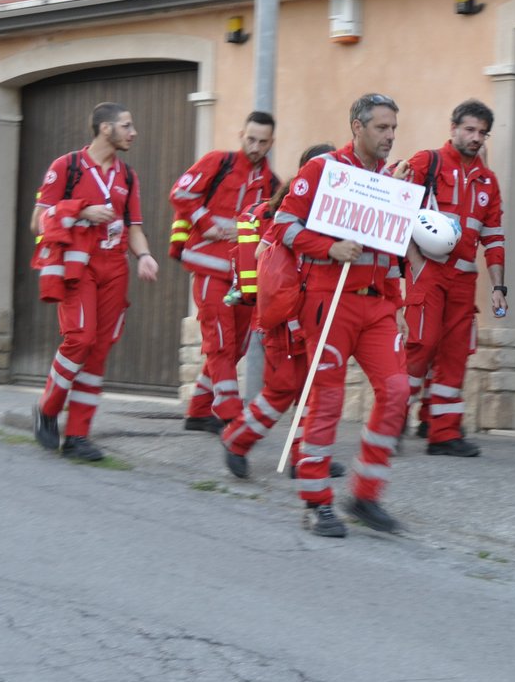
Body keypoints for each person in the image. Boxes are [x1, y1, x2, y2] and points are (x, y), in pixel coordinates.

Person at [265, 94, 412, 536]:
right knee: (326, 401)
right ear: (357, 126)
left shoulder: (388, 179)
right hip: (330, 300)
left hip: (377, 304)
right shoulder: (323, 169)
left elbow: (391, 253)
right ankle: (316, 501)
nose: (389, 137)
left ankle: (365, 494)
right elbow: (283, 227)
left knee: (397, 389)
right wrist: (328, 247)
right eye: (382, 128)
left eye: (393, 129)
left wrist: (398, 305)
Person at [30, 102, 160, 461]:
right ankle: (48, 408)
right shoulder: (66, 167)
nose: (133, 133)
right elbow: (38, 221)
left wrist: (145, 256)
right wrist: (80, 210)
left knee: (99, 349)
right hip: (79, 264)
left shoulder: (128, 176)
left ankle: (77, 436)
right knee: (80, 339)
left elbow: (134, 227)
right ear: (105, 129)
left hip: (114, 265)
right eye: (126, 125)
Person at [218, 144, 346, 482]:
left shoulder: (333, 212)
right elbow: (267, 257)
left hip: (312, 316)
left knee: (312, 387)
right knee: (282, 388)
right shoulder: (286, 213)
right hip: (283, 319)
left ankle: (302, 458)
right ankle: (236, 440)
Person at [401, 99, 507, 457]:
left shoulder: (488, 181)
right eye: (470, 130)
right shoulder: (425, 163)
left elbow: (493, 237)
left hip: (463, 279)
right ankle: (392, 417)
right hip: (428, 274)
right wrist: (414, 266)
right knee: (421, 344)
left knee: (455, 353)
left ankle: (443, 433)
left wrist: (498, 286)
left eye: (482, 133)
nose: (476, 137)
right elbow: (399, 216)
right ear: (454, 128)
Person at [169, 111, 280, 434]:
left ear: (271, 143)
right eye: (251, 139)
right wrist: (207, 224)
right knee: (220, 341)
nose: (256, 146)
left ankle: (199, 411)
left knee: (238, 346)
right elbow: (180, 193)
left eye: (262, 141)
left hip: (244, 277)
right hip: (208, 270)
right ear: (241, 134)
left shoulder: (272, 184)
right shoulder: (219, 162)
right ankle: (231, 415)